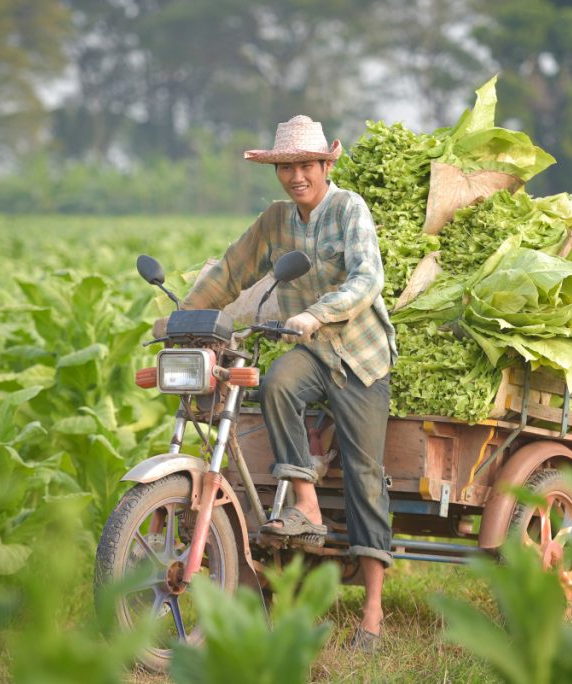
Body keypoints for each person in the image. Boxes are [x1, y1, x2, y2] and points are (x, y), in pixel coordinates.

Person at [181, 114, 395, 651]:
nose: (296, 176)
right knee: (275, 383)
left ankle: (372, 611)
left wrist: (320, 313)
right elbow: (231, 271)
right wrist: (183, 317)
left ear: (326, 164)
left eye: (305, 165)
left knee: (364, 475)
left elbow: (369, 277)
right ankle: (307, 505)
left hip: (359, 355)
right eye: (286, 167)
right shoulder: (276, 220)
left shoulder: (349, 209)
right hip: (310, 351)